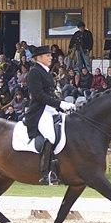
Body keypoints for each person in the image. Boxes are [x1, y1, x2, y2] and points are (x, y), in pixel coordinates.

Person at [26, 45, 75, 185]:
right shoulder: (35, 72)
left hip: (50, 109)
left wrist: (62, 104)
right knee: (50, 136)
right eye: (47, 55)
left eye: (50, 55)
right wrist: (59, 104)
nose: (50, 57)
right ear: (39, 58)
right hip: (40, 111)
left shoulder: (46, 72)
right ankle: (45, 173)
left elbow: (50, 94)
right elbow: (38, 95)